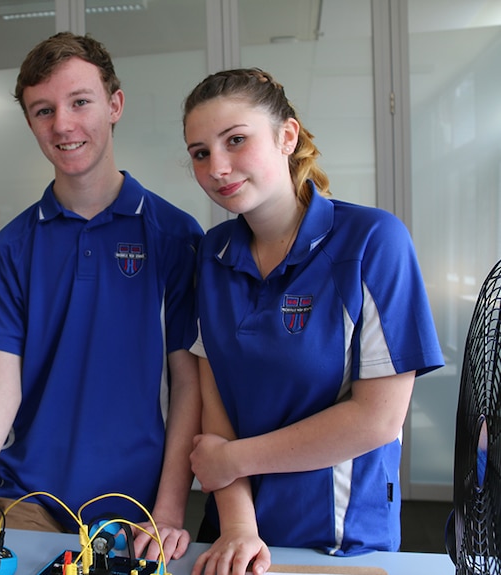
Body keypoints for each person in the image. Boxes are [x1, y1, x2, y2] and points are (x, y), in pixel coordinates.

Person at [0, 32, 203, 573]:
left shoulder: (175, 238)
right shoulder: (14, 245)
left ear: (114, 104)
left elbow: (188, 384)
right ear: (29, 122)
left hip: (136, 513)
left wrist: (169, 508)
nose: (62, 125)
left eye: (80, 102)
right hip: (27, 503)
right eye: (43, 110)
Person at [181, 68, 445, 575]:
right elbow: (214, 394)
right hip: (234, 529)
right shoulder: (213, 253)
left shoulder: (372, 241)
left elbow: (377, 419)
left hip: (337, 538)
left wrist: (234, 461)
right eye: (200, 152)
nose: (218, 166)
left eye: (236, 140)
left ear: (287, 136)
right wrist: (238, 525)